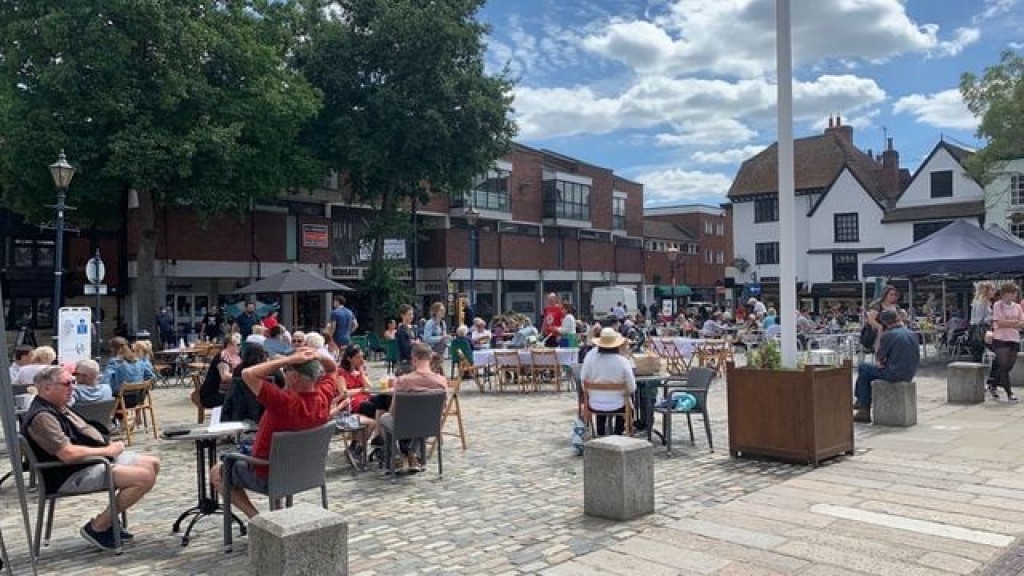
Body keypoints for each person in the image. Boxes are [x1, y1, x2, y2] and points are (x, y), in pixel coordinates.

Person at [24, 365, 160, 550]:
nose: (73, 386)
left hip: (90, 463)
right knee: (143, 477)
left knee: (152, 463)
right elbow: (67, 454)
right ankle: (98, 526)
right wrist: (107, 451)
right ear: (47, 388)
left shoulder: (60, 407)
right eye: (67, 383)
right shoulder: (43, 417)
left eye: (73, 381)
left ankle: (110, 523)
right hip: (69, 474)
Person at [210, 348, 342, 519]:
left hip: (268, 475)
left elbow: (247, 373)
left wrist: (287, 360)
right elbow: (332, 369)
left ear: (294, 377)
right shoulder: (324, 396)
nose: (284, 373)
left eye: (286, 371)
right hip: (303, 473)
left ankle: (257, 519)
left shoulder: (284, 402)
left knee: (216, 472)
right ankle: (273, 517)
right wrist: (318, 355)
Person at [377, 343, 447, 473]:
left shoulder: (403, 381)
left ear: (414, 359)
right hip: (430, 426)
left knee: (383, 418)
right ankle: (414, 453)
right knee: (422, 418)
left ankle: (396, 455)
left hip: (404, 426)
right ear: (430, 358)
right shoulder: (441, 381)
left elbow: (393, 411)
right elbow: (442, 409)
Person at [853, 310, 921, 423]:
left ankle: (862, 405)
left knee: (863, 367)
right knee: (866, 374)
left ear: (884, 323)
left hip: (894, 373)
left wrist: (880, 332)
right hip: (910, 373)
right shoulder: (911, 333)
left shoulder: (888, 335)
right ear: (897, 318)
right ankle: (862, 405)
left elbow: (879, 357)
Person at [580, 328, 635, 436]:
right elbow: (632, 387)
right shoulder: (623, 362)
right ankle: (618, 433)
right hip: (617, 404)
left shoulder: (590, 359)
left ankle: (600, 433)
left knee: (601, 398)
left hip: (594, 403)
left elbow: (583, 381)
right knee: (627, 401)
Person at [220, 343, 283, 424]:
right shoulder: (270, 370)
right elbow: (281, 383)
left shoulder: (238, 370)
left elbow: (233, 389)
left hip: (242, 411)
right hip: (266, 408)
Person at [990, 283, 1022, 403]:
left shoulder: (1017, 306)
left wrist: (1009, 323)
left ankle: (993, 383)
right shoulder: (998, 305)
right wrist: (1014, 323)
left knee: (1009, 366)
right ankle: (1010, 393)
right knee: (1003, 365)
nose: (1014, 295)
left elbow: (1022, 322)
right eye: (1013, 293)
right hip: (1001, 339)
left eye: (1015, 293)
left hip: (1013, 338)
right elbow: (999, 323)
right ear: (1005, 293)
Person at [199, 334, 243, 409]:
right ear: (229, 345)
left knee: (243, 396)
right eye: (238, 344)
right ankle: (231, 419)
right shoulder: (223, 356)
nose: (240, 346)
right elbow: (225, 376)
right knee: (240, 399)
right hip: (212, 395)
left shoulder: (235, 357)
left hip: (223, 392)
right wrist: (243, 376)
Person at [866, 285, 901, 352]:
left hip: (894, 334)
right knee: (881, 352)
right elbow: (870, 320)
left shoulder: (896, 306)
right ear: (885, 294)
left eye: (894, 295)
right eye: (891, 294)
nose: (893, 296)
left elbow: (898, 319)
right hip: (881, 334)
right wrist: (880, 327)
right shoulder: (878, 305)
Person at [969, 281, 995, 363]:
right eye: (992, 290)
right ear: (986, 291)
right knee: (981, 351)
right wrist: (992, 317)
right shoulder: (981, 302)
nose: (994, 292)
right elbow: (979, 319)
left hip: (979, 329)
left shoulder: (982, 301)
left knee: (980, 353)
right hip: (980, 329)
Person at [395, 305, 416, 373]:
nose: (412, 316)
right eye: (409, 314)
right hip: (405, 362)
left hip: (413, 360)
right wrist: (414, 343)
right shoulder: (401, 330)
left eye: (412, 314)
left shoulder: (412, 328)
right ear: (403, 315)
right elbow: (405, 348)